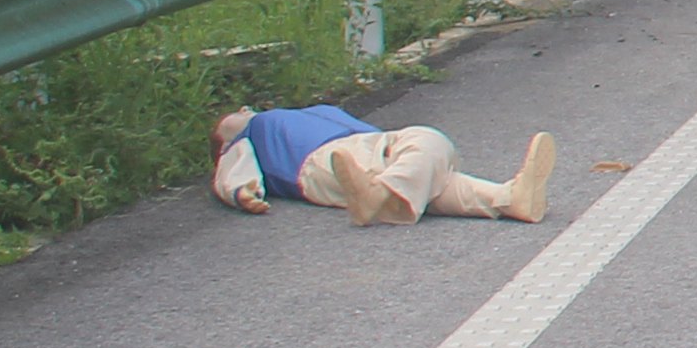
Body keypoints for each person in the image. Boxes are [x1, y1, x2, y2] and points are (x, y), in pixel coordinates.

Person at [213, 102, 559, 227]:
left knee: (425, 182)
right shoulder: (248, 139)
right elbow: (232, 171)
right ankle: (377, 195)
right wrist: (242, 192)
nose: (236, 116)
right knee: (430, 141)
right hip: (322, 164)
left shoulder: (293, 114)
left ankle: (509, 198)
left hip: (376, 147)